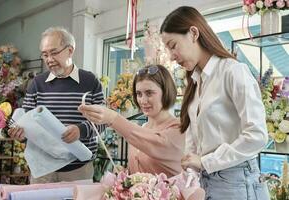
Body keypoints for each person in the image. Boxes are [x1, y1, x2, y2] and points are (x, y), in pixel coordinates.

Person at [160, 6, 269, 200]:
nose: (171, 56)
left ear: (194, 33)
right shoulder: (196, 82)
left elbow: (257, 135)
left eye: (173, 45)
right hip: (208, 181)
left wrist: (205, 161)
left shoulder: (233, 71)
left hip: (237, 181)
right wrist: (191, 172)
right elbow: (194, 141)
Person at [8, 26, 105, 183]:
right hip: (42, 171)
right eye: (45, 55)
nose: (49, 59)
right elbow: (26, 123)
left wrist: (80, 130)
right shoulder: (37, 84)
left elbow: (103, 121)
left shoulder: (90, 81)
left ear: (70, 50)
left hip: (78, 169)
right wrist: (20, 134)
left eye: (54, 53)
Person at [79, 64, 185, 177]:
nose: (143, 100)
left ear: (166, 92)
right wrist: (126, 173)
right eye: (139, 94)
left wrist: (112, 118)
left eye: (149, 93)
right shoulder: (142, 128)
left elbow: (154, 143)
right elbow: (141, 173)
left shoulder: (178, 129)